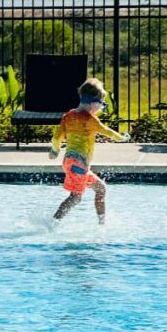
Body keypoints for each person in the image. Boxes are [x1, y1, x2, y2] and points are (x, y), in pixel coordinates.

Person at [50, 78, 129, 224]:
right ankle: (53, 223)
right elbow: (109, 132)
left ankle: (102, 224)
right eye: (101, 104)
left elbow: (56, 137)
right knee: (76, 197)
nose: (100, 108)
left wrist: (54, 151)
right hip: (78, 164)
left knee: (100, 188)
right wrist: (122, 138)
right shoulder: (90, 119)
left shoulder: (68, 116)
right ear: (93, 102)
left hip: (71, 162)